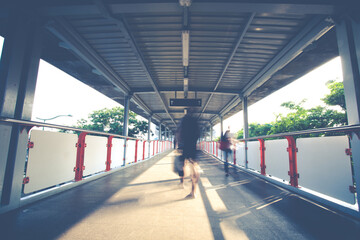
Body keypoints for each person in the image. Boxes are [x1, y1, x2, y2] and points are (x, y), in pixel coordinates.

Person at [178, 109, 200, 198]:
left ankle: (182, 182)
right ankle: (194, 191)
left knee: (183, 164)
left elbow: (179, 133)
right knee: (194, 166)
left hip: (186, 145)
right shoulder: (195, 121)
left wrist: (179, 145)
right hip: (193, 145)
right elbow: (198, 134)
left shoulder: (184, 120)